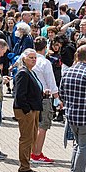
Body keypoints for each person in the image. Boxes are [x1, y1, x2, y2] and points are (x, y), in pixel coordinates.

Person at [12, 48, 43, 172]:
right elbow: (19, 95)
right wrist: (27, 111)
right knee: (26, 138)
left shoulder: (31, 72)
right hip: (26, 110)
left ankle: (27, 165)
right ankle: (24, 167)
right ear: (24, 58)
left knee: (32, 138)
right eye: (31, 57)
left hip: (34, 109)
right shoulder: (23, 73)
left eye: (35, 58)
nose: (34, 60)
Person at [31, 36, 58, 164]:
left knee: (34, 126)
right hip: (44, 97)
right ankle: (37, 153)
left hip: (31, 97)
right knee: (43, 126)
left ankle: (33, 151)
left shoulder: (29, 59)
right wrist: (57, 98)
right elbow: (51, 82)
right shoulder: (45, 62)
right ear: (45, 48)